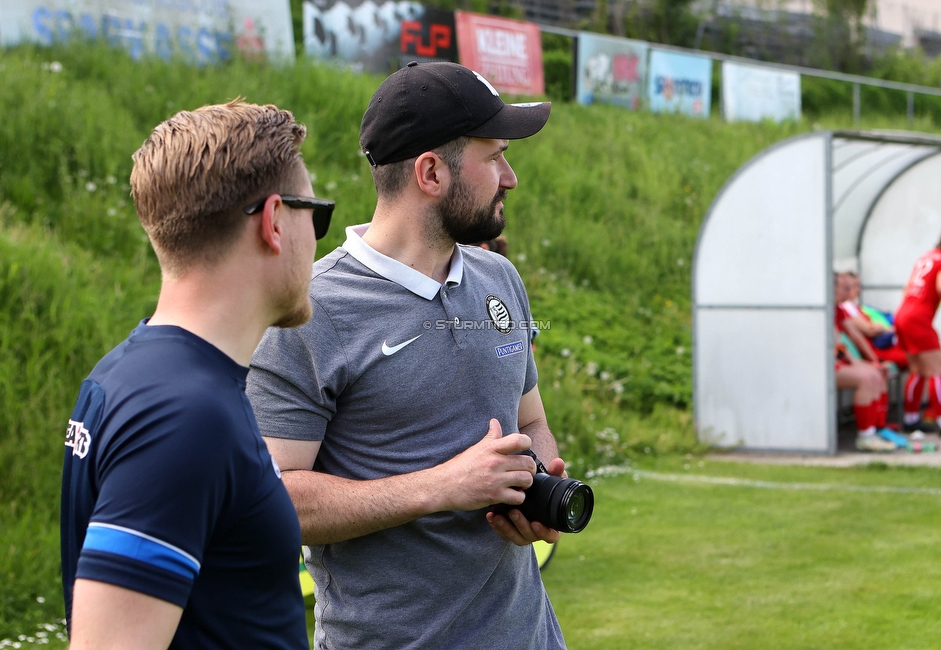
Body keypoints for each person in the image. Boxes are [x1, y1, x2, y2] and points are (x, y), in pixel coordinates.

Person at [247, 61, 567, 649]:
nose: (511, 177)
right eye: (493, 156)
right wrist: (443, 486)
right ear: (431, 172)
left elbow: (531, 420)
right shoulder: (309, 312)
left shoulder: (500, 278)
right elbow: (271, 501)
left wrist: (539, 487)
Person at [60, 101, 332, 649]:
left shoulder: (131, 372)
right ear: (275, 221)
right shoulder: (187, 418)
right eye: (316, 216)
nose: (317, 241)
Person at [894, 223, 941, 438]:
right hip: (918, 318)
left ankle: (911, 420)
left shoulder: (925, 257)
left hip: (902, 315)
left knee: (917, 369)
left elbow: (908, 287)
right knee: (938, 370)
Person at [834, 275, 897, 451]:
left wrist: (873, 362)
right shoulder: (828, 309)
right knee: (867, 378)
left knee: (876, 372)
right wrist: (856, 362)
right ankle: (866, 436)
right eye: (845, 287)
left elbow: (853, 338)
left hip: (839, 360)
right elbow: (837, 348)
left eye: (851, 287)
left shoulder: (838, 309)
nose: (849, 291)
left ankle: (877, 428)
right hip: (827, 365)